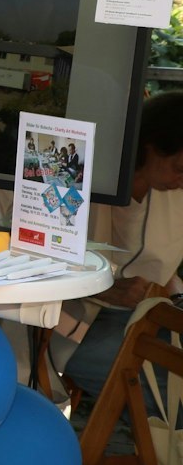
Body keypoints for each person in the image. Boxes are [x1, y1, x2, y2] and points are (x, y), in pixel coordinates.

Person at [61, 91, 183, 398]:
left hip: (147, 316)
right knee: (164, 384)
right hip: (69, 320)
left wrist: (176, 297)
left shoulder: (175, 193)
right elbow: (29, 254)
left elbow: (161, 266)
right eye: (180, 167)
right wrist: (104, 288)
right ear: (149, 146)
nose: (182, 180)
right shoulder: (75, 176)